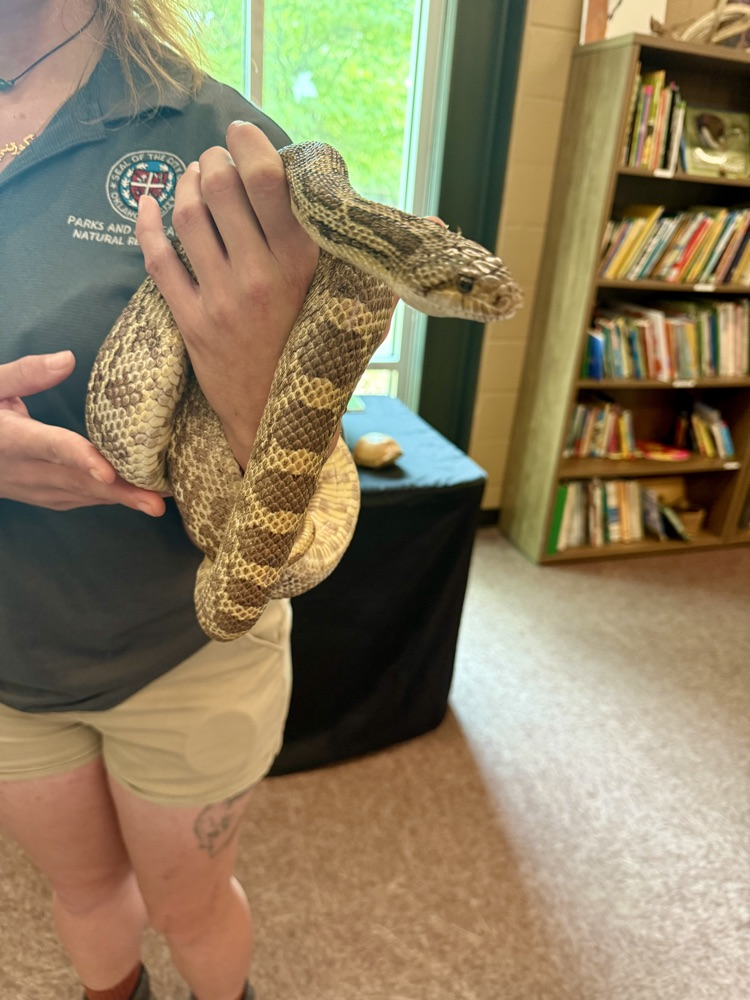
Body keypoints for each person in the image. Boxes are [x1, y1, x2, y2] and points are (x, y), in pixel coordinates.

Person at [0, 2, 348, 999]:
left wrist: (252, 392)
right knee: (83, 892)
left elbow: (308, 481)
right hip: (10, 658)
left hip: (183, 646)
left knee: (192, 905)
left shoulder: (223, 151)